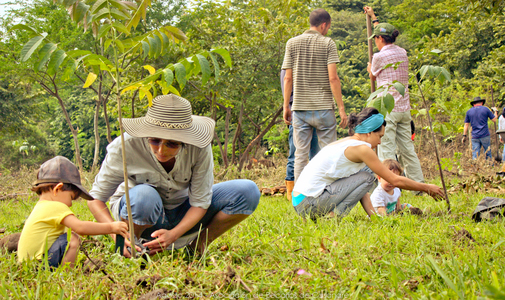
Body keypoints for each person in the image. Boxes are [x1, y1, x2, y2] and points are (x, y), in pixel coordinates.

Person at [87, 94, 260, 257]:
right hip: (138, 211)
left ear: (185, 141)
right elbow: (95, 198)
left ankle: (196, 249)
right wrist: (114, 233)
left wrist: (174, 235)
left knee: (248, 191)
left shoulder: (199, 147)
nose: (161, 150)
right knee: (144, 196)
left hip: (182, 211)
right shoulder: (125, 146)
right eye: (154, 140)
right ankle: (134, 247)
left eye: (172, 144)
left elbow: (200, 202)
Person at [292, 107, 444, 220]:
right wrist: (426, 188)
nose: (379, 142)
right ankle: (333, 217)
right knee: (368, 176)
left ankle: (332, 216)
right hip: (309, 202)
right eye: (379, 136)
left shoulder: (346, 142)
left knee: (365, 176)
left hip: (300, 202)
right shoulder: (362, 149)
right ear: (369, 132)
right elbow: (394, 179)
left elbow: (360, 189)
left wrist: (374, 218)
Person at [17, 156, 128, 268]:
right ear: (57, 189)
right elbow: (80, 227)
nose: (70, 204)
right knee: (72, 238)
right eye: (71, 197)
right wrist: (111, 228)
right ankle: (66, 272)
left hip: (28, 265)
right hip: (40, 264)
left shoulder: (41, 207)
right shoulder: (55, 206)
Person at [282, 8, 348, 183]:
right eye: (328, 27)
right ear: (324, 25)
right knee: (328, 155)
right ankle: (327, 193)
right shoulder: (328, 43)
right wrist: (341, 108)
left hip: (300, 108)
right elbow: (333, 78)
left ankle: (299, 196)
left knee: (300, 155)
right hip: (324, 108)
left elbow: (287, 78)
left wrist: (286, 106)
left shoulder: (292, 43)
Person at [364, 6, 424, 186]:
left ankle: (389, 184)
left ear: (380, 38)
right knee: (407, 149)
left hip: (388, 109)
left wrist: (369, 70)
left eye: (375, 38)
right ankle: (417, 183)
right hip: (404, 109)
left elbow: (373, 74)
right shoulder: (402, 52)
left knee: (387, 149)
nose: (374, 41)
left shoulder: (378, 57)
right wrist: (373, 17)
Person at [280, 69, 320, 200]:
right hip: (297, 113)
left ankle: (313, 188)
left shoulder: (300, 67)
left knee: (314, 153)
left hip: (310, 112)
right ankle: (292, 193)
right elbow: (288, 92)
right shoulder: (287, 70)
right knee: (296, 153)